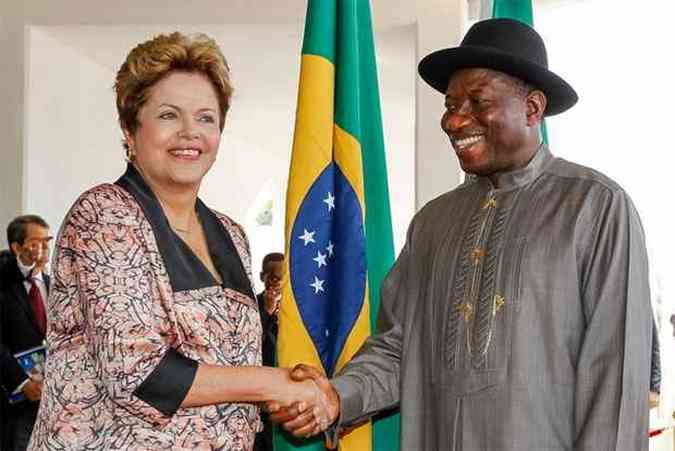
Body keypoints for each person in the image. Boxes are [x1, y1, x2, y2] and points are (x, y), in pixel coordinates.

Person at [269, 18, 652, 450]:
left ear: (532, 108)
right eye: (451, 105)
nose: (454, 121)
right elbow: (398, 350)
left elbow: (615, 378)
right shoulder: (434, 222)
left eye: (477, 101)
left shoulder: (594, 207)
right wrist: (335, 397)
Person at [27, 32, 327, 450]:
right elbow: (140, 374)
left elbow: (232, 372)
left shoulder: (232, 234)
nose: (190, 133)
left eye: (206, 117)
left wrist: (291, 391)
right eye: (169, 115)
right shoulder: (104, 215)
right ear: (130, 129)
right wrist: (273, 382)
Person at [0, 216, 51, 451]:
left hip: (53, 401)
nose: (43, 249)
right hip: (17, 401)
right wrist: (21, 382)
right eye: (35, 242)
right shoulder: (4, 285)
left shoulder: (55, 285)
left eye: (46, 241)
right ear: (16, 247)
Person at [254, 252, 283, 451]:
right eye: (273, 277)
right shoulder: (251, 305)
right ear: (262, 276)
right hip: (258, 392)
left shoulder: (295, 309)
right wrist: (266, 312)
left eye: (282, 278)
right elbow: (251, 342)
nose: (277, 283)